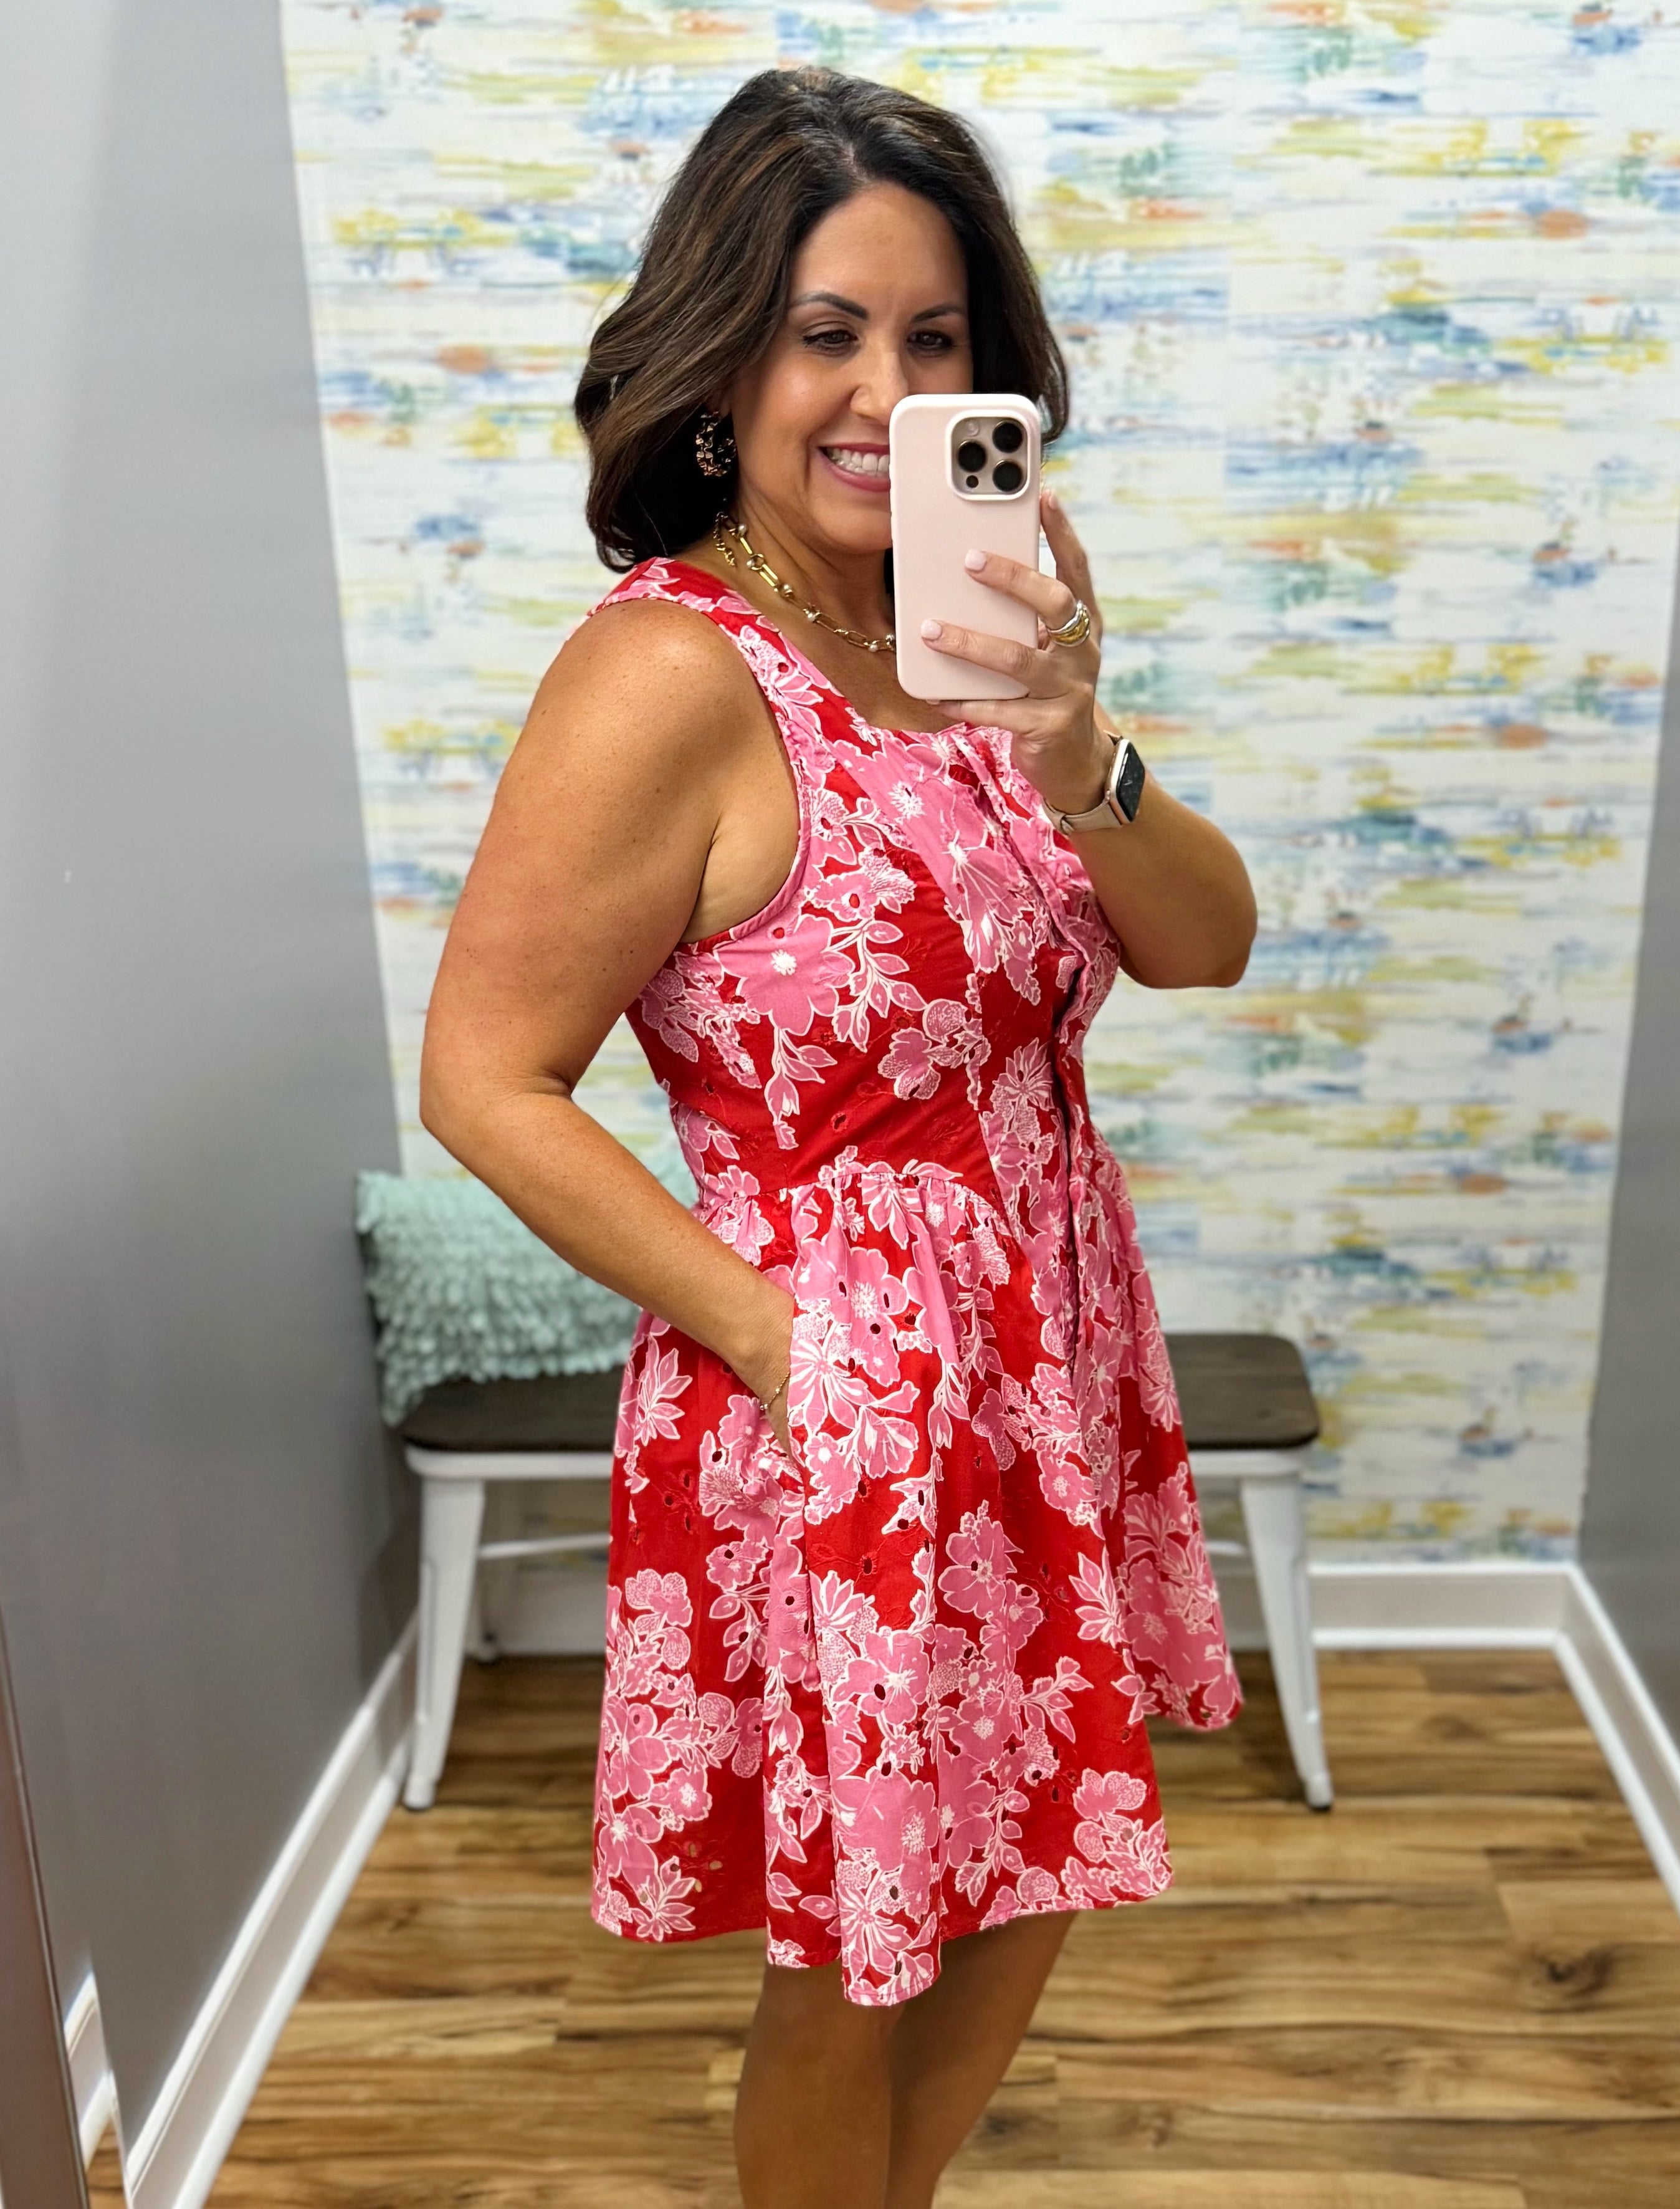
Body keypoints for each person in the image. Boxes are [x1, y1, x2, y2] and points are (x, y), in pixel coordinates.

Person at [420, 65, 1256, 2209]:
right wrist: (793, 1345)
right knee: (867, 1952)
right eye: (826, 333)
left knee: (1037, 1857)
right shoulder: (668, 678)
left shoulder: (970, 644)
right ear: (722, 357)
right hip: (846, 1384)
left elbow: (1202, 944)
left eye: (933, 337)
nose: (885, 391)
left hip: (1042, 1345)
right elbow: (484, 1077)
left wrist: (1085, 742)